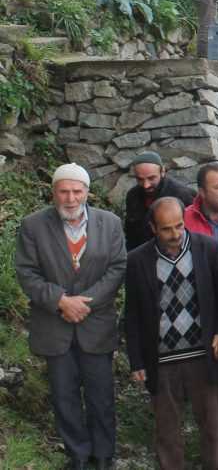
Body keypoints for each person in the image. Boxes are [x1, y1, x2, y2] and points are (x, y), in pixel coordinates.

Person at [15, 164, 126, 470]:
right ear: (53, 193)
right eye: (64, 191)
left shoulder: (110, 223)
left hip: (96, 324)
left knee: (101, 395)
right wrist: (60, 301)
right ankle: (77, 455)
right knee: (64, 396)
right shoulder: (33, 225)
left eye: (77, 191)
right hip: (54, 326)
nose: (71, 198)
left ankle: (103, 455)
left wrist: (85, 302)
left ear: (87, 192)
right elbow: (26, 272)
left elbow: (118, 267)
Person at [124, 197, 218, 470]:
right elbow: (132, 314)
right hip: (161, 359)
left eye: (179, 226)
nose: (175, 234)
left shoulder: (207, 248)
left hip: (203, 353)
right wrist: (136, 361)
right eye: (166, 229)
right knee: (167, 431)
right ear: (152, 228)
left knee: (215, 425)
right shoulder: (137, 261)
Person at [123, 151, 196, 251]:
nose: (146, 185)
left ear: (163, 172)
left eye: (151, 178)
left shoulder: (182, 195)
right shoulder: (133, 196)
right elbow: (131, 233)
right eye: (140, 179)